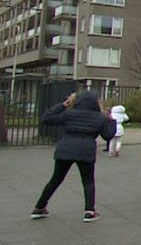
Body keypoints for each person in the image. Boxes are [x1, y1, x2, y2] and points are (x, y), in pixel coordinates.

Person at [30, 91, 115, 222]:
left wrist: (63, 105)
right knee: (88, 181)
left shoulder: (68, 114)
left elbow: (46, 118)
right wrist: (110, 119)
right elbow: (108, 135)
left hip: (65, 148)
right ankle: (89, 211)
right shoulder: (100, 117)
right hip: (85, 149)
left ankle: (39, 207)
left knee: (55, 179)